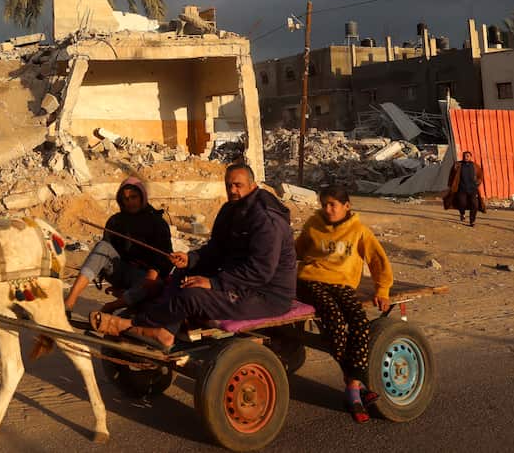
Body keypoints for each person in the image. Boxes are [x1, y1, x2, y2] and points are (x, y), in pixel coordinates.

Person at [90, 163, 296, 351]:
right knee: (183, 274)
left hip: (266, 294)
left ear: (252, 186)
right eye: (228, 185)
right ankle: (165, 330)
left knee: (192, 295)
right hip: (240, 281)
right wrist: (190, 259)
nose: (232, 190)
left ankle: (135, 324)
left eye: (238, 185)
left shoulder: (267, 221)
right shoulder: (230, 209)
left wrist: (213, 283)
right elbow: (216, 249)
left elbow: (260, 271)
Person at [296, 185, 393, 423]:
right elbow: (296, 251)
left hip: (343, 285)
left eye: (333, 205)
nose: (328, 210)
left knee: (359, 323)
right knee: (334, 321)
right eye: (324, 205)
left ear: (346, 206)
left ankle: (353, 384)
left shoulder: (359, 231)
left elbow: (378, 259)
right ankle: (353, 389)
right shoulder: (313, 224)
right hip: (311, 281)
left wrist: (382, 289)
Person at [64, 177, 172, 313]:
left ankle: (111, 307)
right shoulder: (116, 221)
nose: (130, 202)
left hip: (146, 276)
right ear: (121, 201)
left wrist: (152, 275)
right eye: (126, 199)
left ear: (142, 197)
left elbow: (164, 259)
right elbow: (106, 254)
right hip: (121, 271)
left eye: (134, 197)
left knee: (153, 286)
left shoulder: (157, 223)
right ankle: (70, 301)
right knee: (103, 247)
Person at [445, 150, 486, 226]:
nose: (466, 157)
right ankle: (462, 213)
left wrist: (477, 182)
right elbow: (451, 175)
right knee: (462, 203)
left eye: (467, 156)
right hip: (461, 189)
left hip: (472, 189)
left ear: (470, 157)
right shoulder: (458, 164)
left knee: (475, 205)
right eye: (464, 156)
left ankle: (472, 221)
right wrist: (450, 185)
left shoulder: (475, 166)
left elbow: (480, 175)